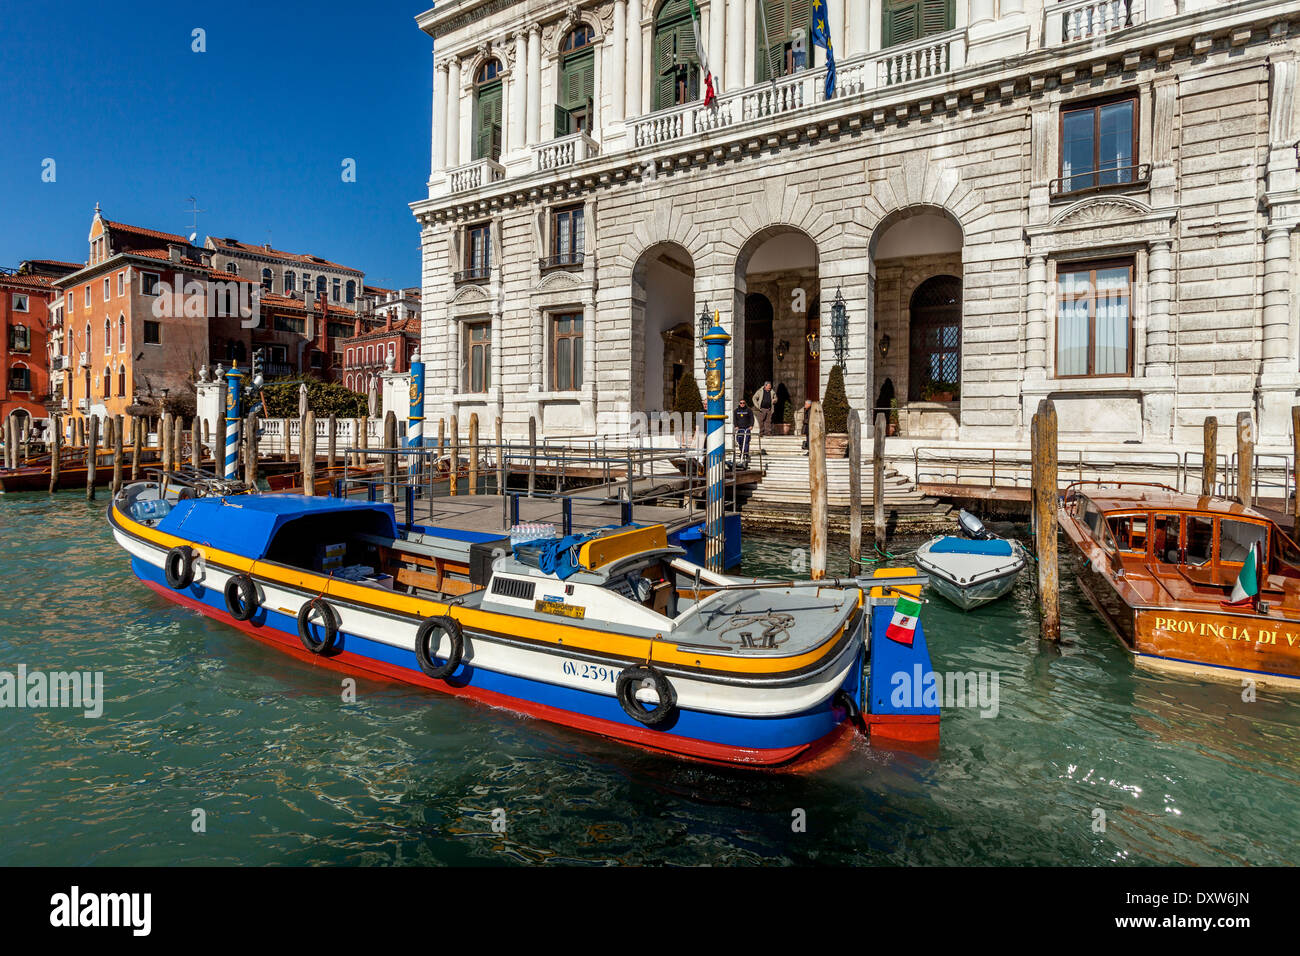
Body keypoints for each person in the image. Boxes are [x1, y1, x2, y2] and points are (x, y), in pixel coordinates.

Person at [733, 398, 754, 467]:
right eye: (741, 403)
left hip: (746, 428)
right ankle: (742, 452)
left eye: (743, 403)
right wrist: (736, 426)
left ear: (745, 404)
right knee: (740, 441)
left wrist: (751, 426)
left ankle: (746, 454)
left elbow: (752, 418)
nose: (742, 404)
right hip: (740, 429)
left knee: (746, 441)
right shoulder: (736, 411)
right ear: (739, 404)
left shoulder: (748, 410)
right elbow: (734, 419)